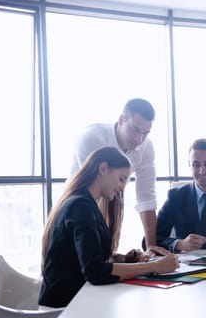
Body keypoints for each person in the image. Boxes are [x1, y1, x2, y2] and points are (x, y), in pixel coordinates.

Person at [40, 147, 179, 308]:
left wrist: (124, 259)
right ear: (103, 168)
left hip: (78, 301)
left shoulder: (87, 204)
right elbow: (95, 272)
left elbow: (88, 258)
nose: (122, 187)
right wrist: (155, 266)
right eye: (121, 179)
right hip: (63, 310)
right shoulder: (80, 207)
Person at [70, 98, 167, 255]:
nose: (139, 139)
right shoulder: (92, 138)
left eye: (145, 133)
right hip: (79, 207)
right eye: (135, 130)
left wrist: (151, 249)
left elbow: (146, 197)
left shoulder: (145, 146)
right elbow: (94, 192)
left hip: (113, 204)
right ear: (121, 119)